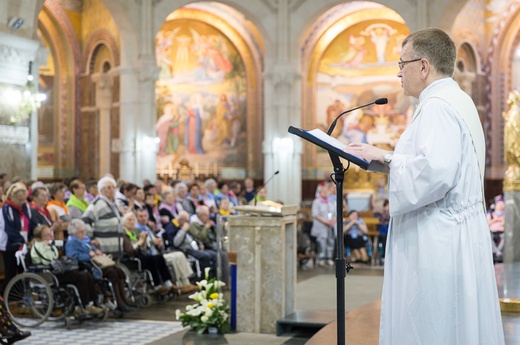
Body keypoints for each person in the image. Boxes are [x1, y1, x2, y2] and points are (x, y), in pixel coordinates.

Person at [344, 28, 504, 344]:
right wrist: (388, 158)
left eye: (402, 64)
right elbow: (437, 164)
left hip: (438, 239)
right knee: (458, 323)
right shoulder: (457, 100)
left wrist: (388, 160)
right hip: (455, 233)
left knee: (435, 324)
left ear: (423, 66)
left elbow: (435, 173)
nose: (399, 73)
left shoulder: (437, 107)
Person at [30, 225, 104, 318]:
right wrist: (48, 247)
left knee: (87, 274)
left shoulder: (49, 245)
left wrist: (50, 246)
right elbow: (47, 259)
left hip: (56, 271)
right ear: (39, 237)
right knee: (81, 277)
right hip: (48, 274)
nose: (50, 237)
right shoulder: (38, 246)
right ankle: (81, 307)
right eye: (47, 235)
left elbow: (55, 256)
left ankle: (91, 303)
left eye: (50, 234)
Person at [65, 219, 136, 313]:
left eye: (84, 231)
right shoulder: (72, 242)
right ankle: (119, 303)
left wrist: (97, 251)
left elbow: (93, 249)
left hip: (96, 264)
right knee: (112, 272)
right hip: (89, 267)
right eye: (81, 232)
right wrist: (88, 255)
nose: (84, 233)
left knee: (118, 270)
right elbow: (72, 257)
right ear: (73, 233)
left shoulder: (85, 240)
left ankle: (124, 300)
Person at [121, 212, 175, 293]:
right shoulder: (123, 234)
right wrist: (140, 241)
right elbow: (130, 250)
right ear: (124, 222)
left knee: (159, 257)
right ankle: (157, 285)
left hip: (140, 255)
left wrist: (144, 241)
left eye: (133, 220)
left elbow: (143, 248)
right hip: (131, 259)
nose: (132, 222)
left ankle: (167, 282)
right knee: (151, 260)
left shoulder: (135, 232)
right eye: (129, 220)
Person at [1, 183, 35, 290]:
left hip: (24, 243)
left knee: (23, 270)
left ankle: (20, 296)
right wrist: (22, 240)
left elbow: (30, 222)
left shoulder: (25, 207)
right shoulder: (6, 209)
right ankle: (5, 296)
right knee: (10, 272)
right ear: (12, 197)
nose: (21, 203)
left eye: (23, 200)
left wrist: (33, 236)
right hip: (9, 244)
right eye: (19, 200)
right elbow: (9, 229)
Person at [310, 187, 336, 267]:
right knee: (322, 242)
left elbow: (336, 212)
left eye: (326, 191)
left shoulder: (331, 201)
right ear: (320, 193)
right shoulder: (316, 202)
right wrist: (326, 222)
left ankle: (329, 258)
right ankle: (321, 258)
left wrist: (333, 221)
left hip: (330, 226)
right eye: (323, 192)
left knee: (330, 241)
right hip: (321, 226)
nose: (325, 193)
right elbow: (315, 215)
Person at [487, 196, 505, 262]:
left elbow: (505, 223)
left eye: (502, 204)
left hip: (502, 232)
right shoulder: (490, 214)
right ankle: (497, 252)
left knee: (506, 237)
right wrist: (495, 220)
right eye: (499, 204)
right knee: (488, 237)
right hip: (492, 232)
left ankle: (498, 251)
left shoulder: (505, 215)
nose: (501, 206)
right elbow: (487, 223)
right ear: (495, 206)